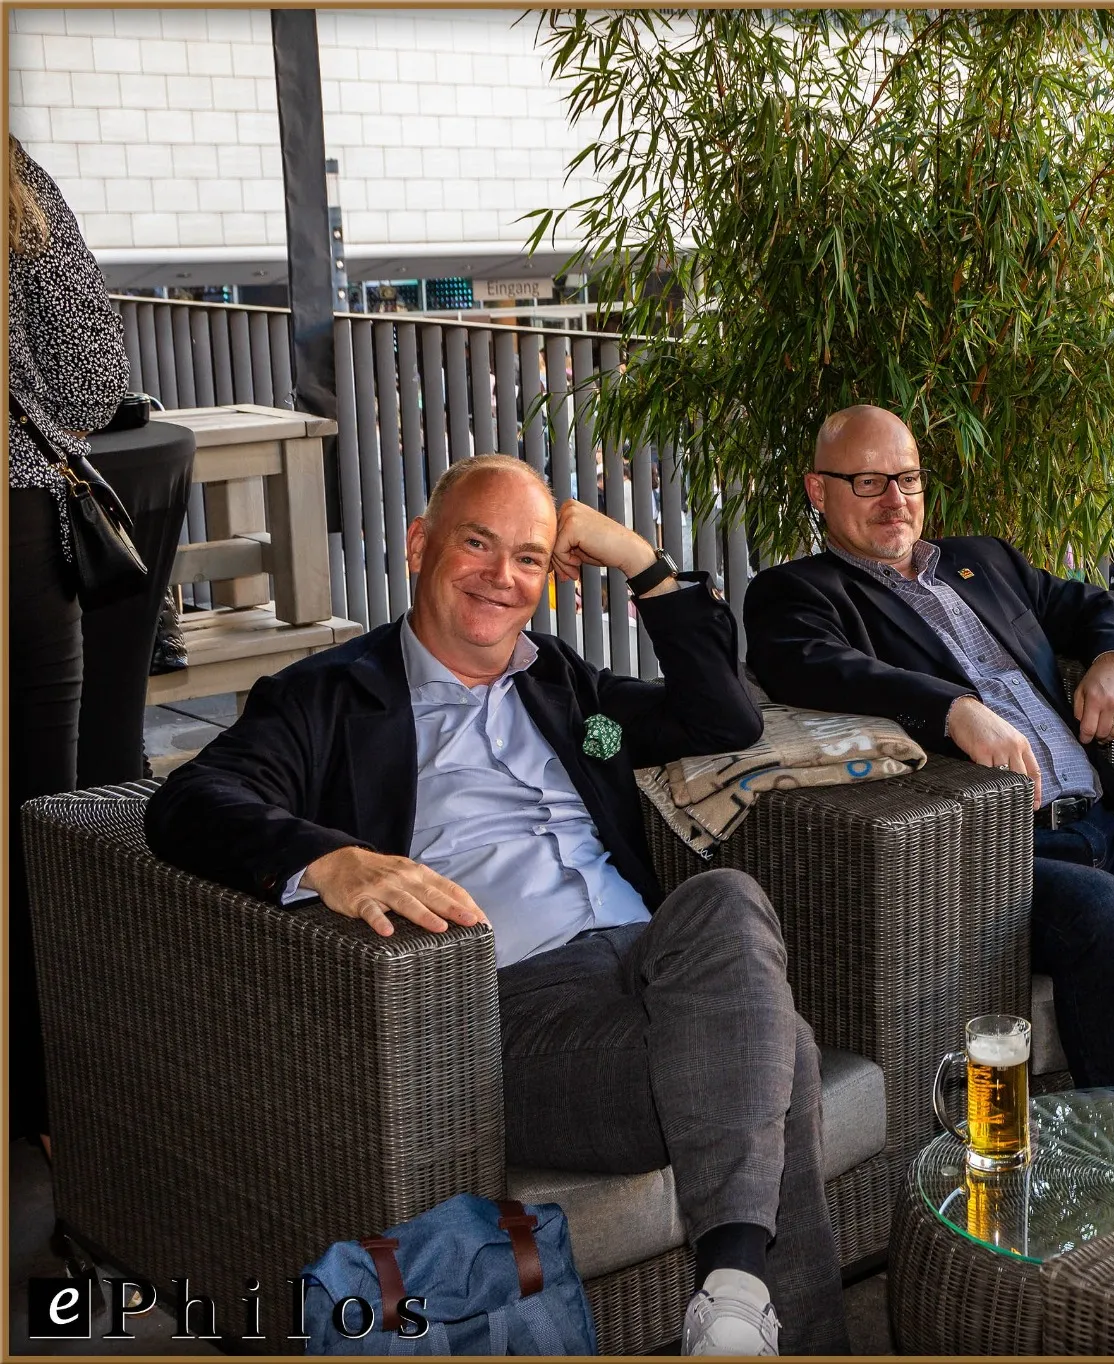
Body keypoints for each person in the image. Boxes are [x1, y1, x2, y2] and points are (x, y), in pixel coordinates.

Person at [145, 457, 844, 1355]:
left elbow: (723, 719)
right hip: (515, 1014)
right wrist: (332, 860)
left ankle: (733, 1302)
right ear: (419, 545)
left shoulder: (564, 688)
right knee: (777, 1047)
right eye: (477, 544)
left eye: (527, 557)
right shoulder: (330, 695)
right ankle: (764, 1308)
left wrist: (642, 562)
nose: (501, 577)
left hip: (654, 965)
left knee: (725, 900)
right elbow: (187, 803)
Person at [743, 406, 1114, 1088]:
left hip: (1111, 831)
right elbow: (813, 664)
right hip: (997, 861)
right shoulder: (797, 593)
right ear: (818, 490)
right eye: (868, 481)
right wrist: (954, 711)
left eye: (908, 478)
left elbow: (1100, 607)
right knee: (1102, 910)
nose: (896, 500)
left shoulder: (981, 560)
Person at [8, 136, 133, 1145]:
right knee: (35, 817)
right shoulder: (16, 177)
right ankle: (46, 1100)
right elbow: (92, 378)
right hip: (13, 529)